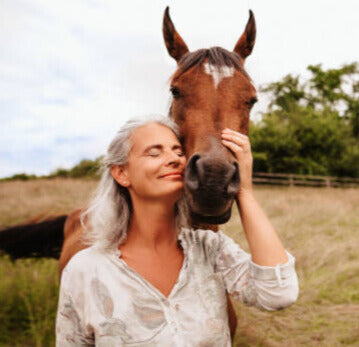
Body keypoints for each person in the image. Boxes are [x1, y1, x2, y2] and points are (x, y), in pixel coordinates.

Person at [55, 115, 299, 346]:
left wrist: (244, 190)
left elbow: (279, 294)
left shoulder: (211, 249)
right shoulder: (84, 270)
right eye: (154, 152)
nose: (174, 159)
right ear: (121, 173)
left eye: (179, 151)